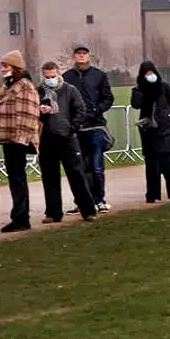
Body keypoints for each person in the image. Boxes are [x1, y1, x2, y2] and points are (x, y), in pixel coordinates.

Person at [37, 61, 97, 223]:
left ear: (59, 74)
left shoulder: (70, 90)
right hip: (47, 139)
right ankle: (53, 212)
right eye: (47, 77)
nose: (50, 79)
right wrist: (41, 112)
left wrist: (72, 127)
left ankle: (87, 209)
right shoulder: (40, 92)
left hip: (67, 138)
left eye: (53, 76)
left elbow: (80, 109)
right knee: (50, 178)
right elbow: (34, 114)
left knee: (76, 174)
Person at [0, 50, 41, 233]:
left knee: (18, 178)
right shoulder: (9, 85)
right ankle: (20, 215)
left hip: (18, 140)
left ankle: (21, 217)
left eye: (6, 66)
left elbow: (28, 114)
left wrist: (22, 138)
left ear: (15, 67)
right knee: (15, 178)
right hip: (9, 138)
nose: (3, 69)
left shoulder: (24, 86)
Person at [62, 44, 113, 213]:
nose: (81, 56)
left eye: (84, 54)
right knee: (79, 169)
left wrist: (96, 110)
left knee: (97, 167)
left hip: (96, 126)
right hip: (77, 129)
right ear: (74, 57)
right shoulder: (67, 77)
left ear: (89, 56)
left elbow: (108, 98)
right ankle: (83, 202)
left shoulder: (99, 76)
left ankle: (99, 200)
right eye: (78, 54)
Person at [131, 60, 170, 202]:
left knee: (169, 167)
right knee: (152, 167)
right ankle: (152, 195)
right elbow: (135, 104)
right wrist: (142, 90)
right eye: (146, 73)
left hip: (166, 131)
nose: (149, 75)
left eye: (151, 72)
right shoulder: (138, 89)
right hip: (149, 133)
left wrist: (166, 118)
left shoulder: (164, 87)